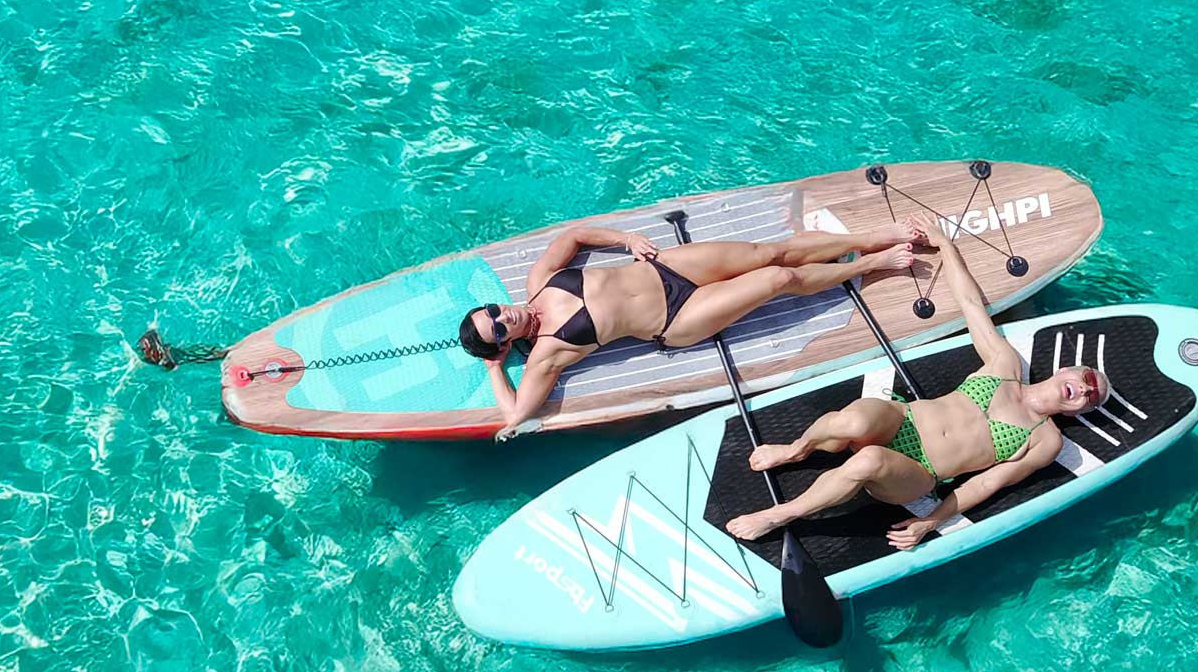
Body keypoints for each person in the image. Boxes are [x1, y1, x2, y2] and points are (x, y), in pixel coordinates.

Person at [724, 214, 1107, 549]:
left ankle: (781, 514)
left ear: (1079, 410)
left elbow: (987, 484)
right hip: (901, 419)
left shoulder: (1046, 440)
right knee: (852, 422)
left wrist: (932, 521)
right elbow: (971, 304)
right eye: (1088, 378)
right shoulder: (1005, 365)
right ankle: (796, 449)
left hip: (917, 471)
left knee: (869, 459)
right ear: (1066, 371)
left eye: (1091, 399)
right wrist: (945, 246)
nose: (1087, 389)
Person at [460, 220, 924, 439]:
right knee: (778, 279)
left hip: (667, 266)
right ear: (505, 343)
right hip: (678, 319)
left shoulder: (540, 280)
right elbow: (517, 415)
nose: (504, 318)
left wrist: (626, 239)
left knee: (768, 252)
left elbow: (573, 236)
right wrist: (494, 368)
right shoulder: (547, 352)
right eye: (498, 331)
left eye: (493, 312)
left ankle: (868, 237)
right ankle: (871, 264)